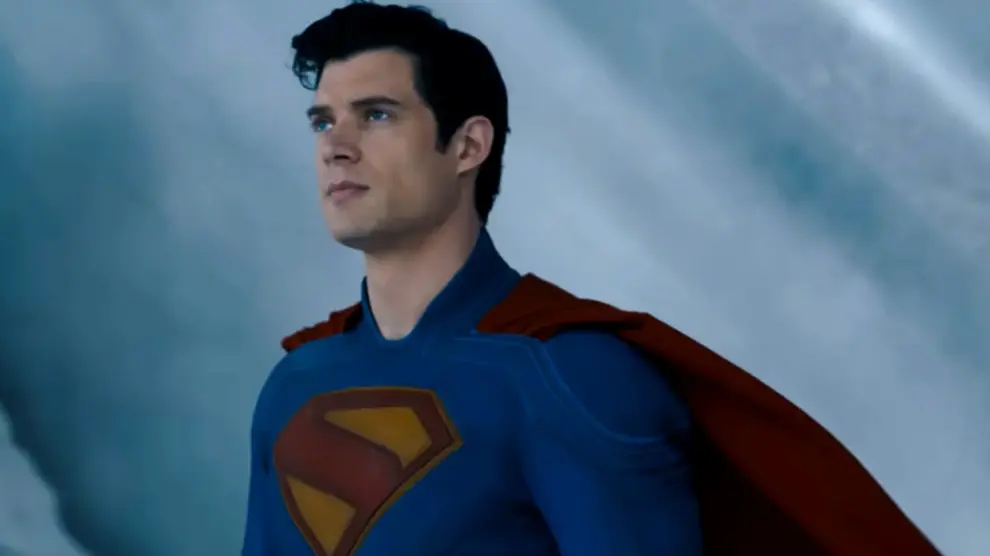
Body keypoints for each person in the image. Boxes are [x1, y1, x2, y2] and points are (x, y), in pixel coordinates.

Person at [242, 2, 939, 555]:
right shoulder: (296, 382)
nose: (336, 147)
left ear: (467, 145)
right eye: (323, 122)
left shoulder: (572, 376)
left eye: (377, 115)